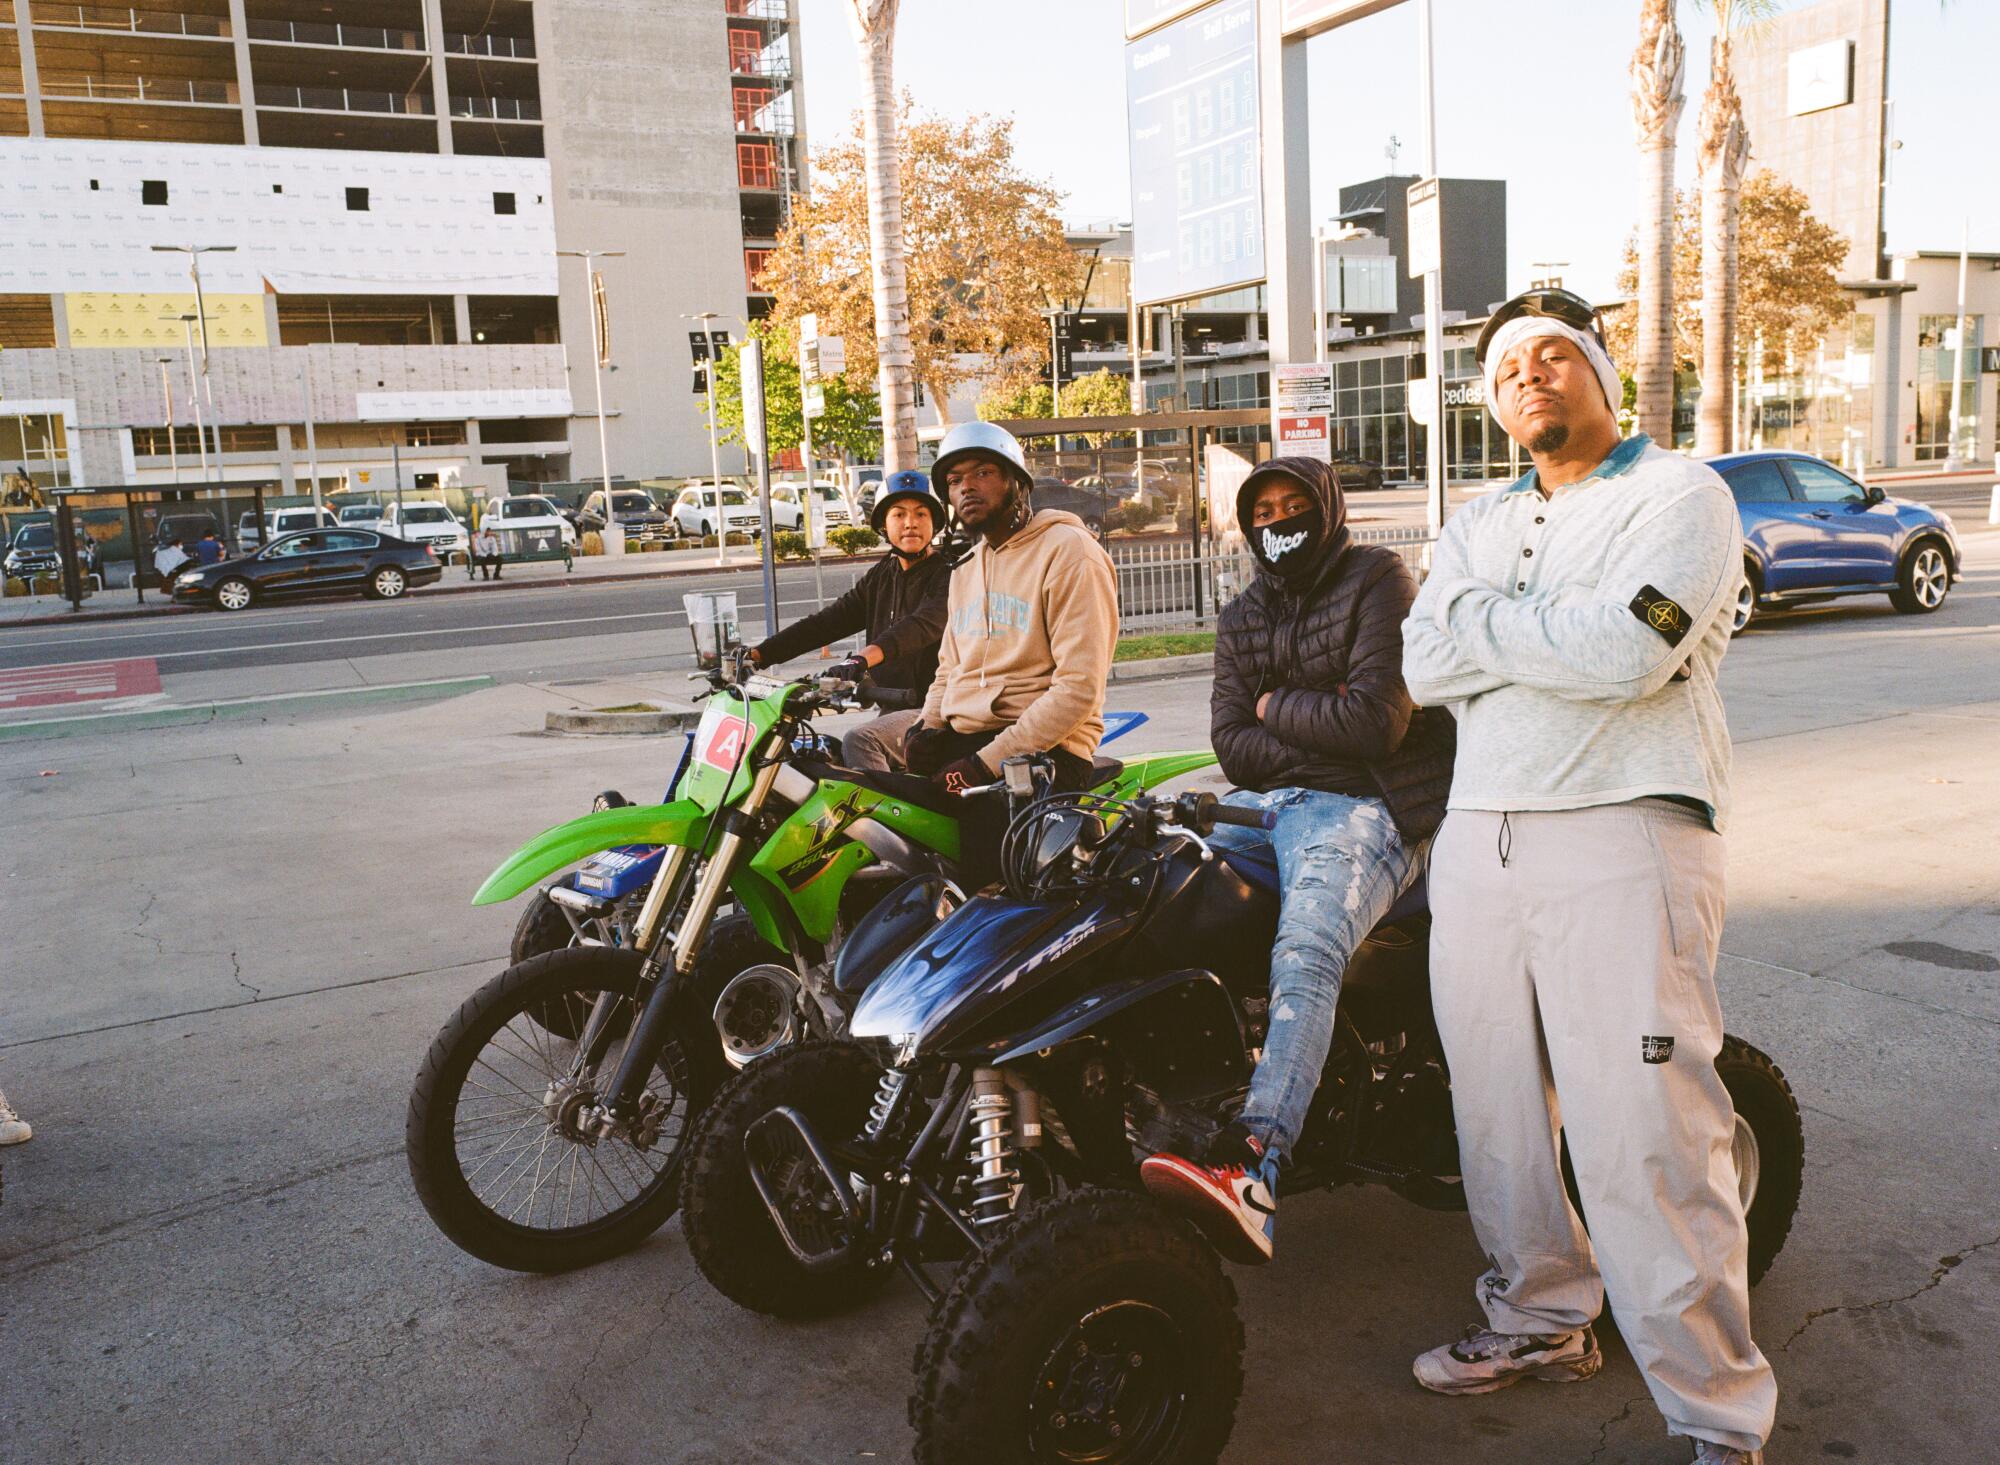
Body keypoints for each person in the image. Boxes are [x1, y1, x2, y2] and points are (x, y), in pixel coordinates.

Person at [1399, 289, 1772, 1465]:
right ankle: (1542, 1318)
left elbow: (1629, 651)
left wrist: (1483, 628)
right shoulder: (1473, 520)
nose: (1530, 376)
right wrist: (1528, 624)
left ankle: (1716, 1415)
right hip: (1478, 840)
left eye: (1555, 354)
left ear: (1600, 376)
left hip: (1624, 833)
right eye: (1507, 365)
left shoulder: (1679, 496)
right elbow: (1418, 659)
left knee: (1643, 1132)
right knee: (1495, 1113)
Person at [1137, 457, 1453, 1264]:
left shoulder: (1380, 577)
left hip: (1370, 808)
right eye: (1263, 512)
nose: (1278, 522)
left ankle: (1256, 1164)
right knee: (1148, 894)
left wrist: (1276, 705)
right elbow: (1232, 746)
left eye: (1294, 505)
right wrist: (1311, 718)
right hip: (1266, 804)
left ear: (1328, 507)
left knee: (1306, 949)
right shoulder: (1243, 612)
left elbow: (1378, 724)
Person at [905, 421, 1117, 887]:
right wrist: (929, 725)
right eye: (955, 481)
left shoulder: (1069, 552)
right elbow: (949, 667)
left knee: (993, 899)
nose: (967, 488)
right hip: (971, 744)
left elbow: (1079, 689)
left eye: (982, 473)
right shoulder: (966, 568)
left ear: (1017, 483)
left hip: (1043, 754)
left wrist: (984, 764)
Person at [747, 471, 950, 771]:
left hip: (935, 710)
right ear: (884, 525)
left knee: (860, 741)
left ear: (934, 523)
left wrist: (860, 661)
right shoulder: (882, 575)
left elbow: (920, 626)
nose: (910, 523)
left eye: (921, 513)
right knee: (817, 756)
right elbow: (827, 622)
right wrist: (759, 654)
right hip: (891, 710)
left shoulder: (950, 573)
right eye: (899, 514)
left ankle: (885, 819)